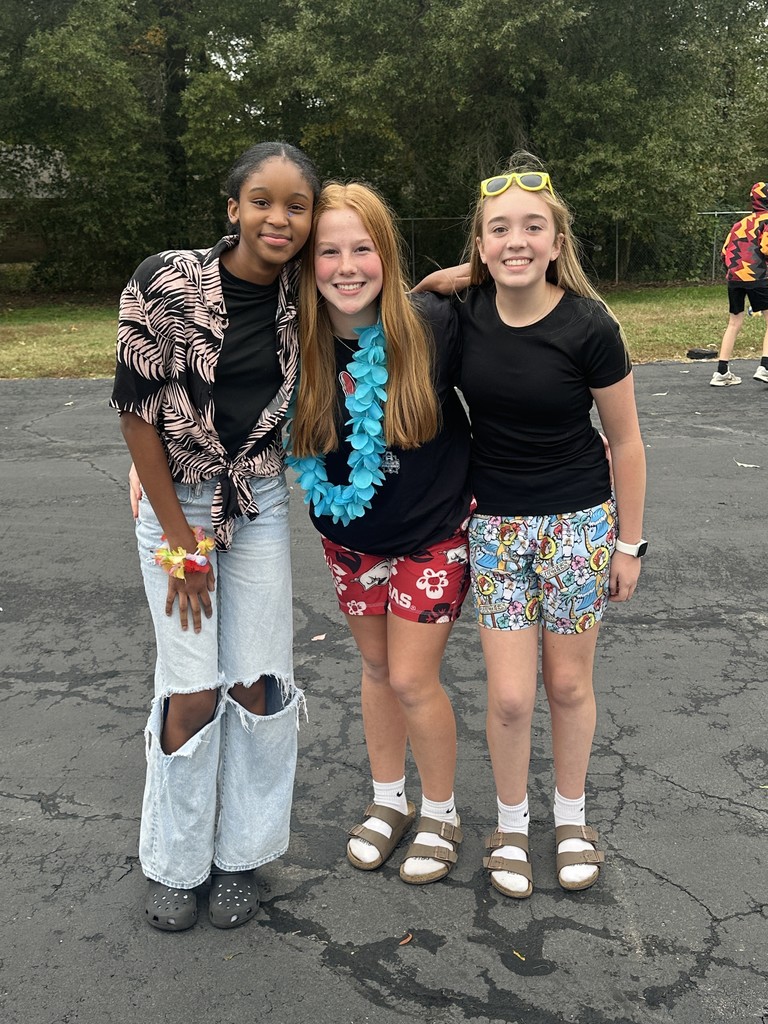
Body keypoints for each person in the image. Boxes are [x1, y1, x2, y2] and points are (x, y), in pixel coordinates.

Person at [417, 156, 646, 898]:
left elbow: (628, 441)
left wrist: (629, 544)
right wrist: (443, 280)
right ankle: (511, 826)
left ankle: (571, 820)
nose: (516, 241)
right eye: (499, 230)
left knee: (568, 686)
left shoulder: (590, 327)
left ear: (556, 242)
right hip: (496, 530)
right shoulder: (464, 314)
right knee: (512, 698)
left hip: (580, 526)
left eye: (532, 228)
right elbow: (407, 306)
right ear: (480, 245)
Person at [111, 141, 321, 931]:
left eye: (295, 205)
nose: (279, 217)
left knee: (258, 685)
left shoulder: (308, 296)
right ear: (233, 207)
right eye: (262, 200)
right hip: (177, 507)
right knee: (193, 687)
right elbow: (136, 410)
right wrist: (179, 540)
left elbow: (393, 291)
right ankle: (176, 862)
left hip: (258, 501)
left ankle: (240, 857)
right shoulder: (164, 279)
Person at [287, 182, 472, 883]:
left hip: (432, 532)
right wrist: (146, 448)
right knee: (374, 670)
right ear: (307, 266)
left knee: (412, 677)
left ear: (387, 257)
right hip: (347, 535)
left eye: (363, 248)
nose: (346, 265)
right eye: (328, 251)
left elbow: (526, 307)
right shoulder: (292, 342)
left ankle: (442, 812)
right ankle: (388, 800)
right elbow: (209, 374)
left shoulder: (429, 325)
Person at [710, 181, 768, 386]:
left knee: (734, 323)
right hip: (757, 276)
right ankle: (765, 367)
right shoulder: (767, 221)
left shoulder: (739, 224)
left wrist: (733, 273)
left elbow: (725, 251)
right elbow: (766, 247)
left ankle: (721, 372)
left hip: (734, 279)